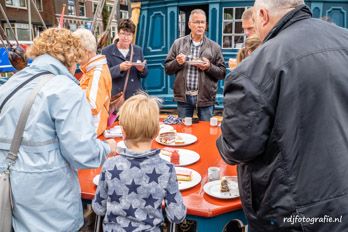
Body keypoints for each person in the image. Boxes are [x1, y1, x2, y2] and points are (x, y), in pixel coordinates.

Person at [217, 0, 348, 231]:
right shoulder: (343, 39)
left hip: (294, 212)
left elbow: (237, 147)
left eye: (254, 22)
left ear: (263, 15)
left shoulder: (256, 67)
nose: (254, 29)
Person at [0, 28, 117, 231]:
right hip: (49, 204)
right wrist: (108, 148)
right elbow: (82, 153)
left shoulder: (11, 84)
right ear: (71, 57)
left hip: (10, 194)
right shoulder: (65, 89)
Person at [92, 93, 186, 231]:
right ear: (156, 132)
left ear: (122, 132)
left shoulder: (110, 165)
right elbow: (176, 216)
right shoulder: (166, 169)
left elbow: (98, 208)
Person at [165, 9, 226, 121]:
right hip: (184, 98)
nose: (200, 25)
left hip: (206, 98)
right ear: (189, 24)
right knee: (184, 131)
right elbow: (167, 69)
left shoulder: (214, 47)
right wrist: (177, 62)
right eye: (196, 22)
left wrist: (209, 67)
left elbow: (222, 73)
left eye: (202, 22)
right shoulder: (178, 44)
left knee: (206, 132)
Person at [73, 28, 112, 136]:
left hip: (91, 132)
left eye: (76, 50)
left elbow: (92, 105)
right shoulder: (93, 69)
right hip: (89, 131)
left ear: (87, 52)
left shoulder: (97, 72)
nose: (74, 55)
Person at [102, 19, 148, 99]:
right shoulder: (107, 51)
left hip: (135, 98)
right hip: (117, 97)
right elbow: (103, 74)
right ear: (118, 34)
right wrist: (119, 68)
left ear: (133, 36)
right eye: (123, 33)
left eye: (129, 34)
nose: (126, 37)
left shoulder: (138, 50)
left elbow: (145, 74)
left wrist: (142, 69)